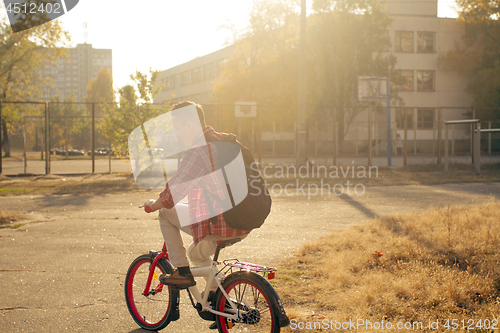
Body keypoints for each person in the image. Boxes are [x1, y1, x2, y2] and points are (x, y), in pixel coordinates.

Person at [145, 101, 249, 289]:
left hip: (221, 223)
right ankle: (219, 298)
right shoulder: (226, 141)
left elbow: (171, 196)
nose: (176, 134)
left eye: (177, 128)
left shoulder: (198, 150)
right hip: (244, 220)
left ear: (189, 125)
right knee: (196, 254)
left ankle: (182, 272)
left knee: (164, 213)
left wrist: (152, 205)